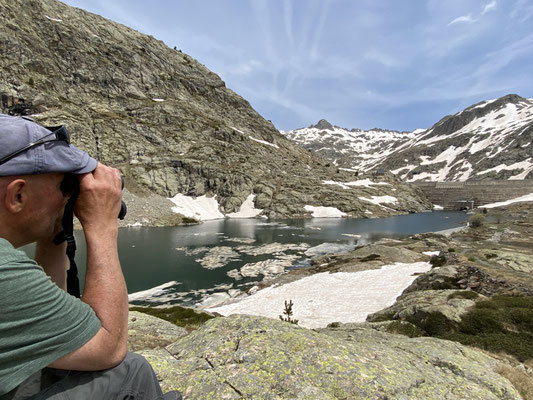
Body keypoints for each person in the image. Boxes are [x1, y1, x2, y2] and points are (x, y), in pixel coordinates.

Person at [0, 114, 180, 399]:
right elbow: (107, 347)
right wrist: (102, 226)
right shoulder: (5, 271)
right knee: (132, 372)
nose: (66, 198)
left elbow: (51, 327)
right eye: (64, 186)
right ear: (17, 195)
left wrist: (56, 234)